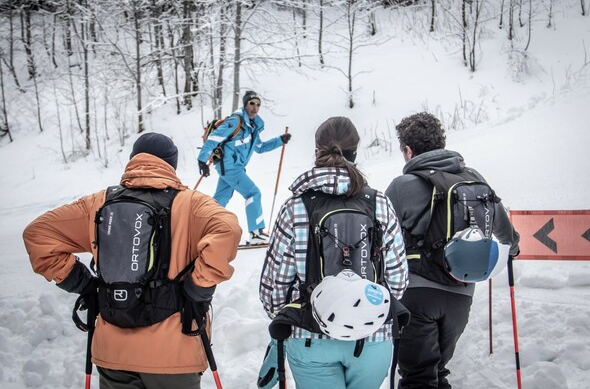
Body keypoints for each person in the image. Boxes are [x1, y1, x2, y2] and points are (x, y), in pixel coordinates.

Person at [22, 132, 242, 389]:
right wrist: (199, 287)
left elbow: (38, 234)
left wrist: (82, 284)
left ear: (132, 160)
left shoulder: (98, 203)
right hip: (174, 355)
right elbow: (228, 229)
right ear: (171, 165)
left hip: (113, 354)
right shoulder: (191, 204)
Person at [259, 116, 408, 389]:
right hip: (372, 339)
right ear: (355, 151)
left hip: (309, 337)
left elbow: (274, 290)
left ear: (317, 150)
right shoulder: (379, 203)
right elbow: (397, 281)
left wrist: (290, 317)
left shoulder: (295, 206)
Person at [384, 112, 520, 389]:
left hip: (416, 295)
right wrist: (514, 249)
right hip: (461, 296)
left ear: (408, 150)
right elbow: (506, 234)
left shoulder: (401, 187)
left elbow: (380, 238)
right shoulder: (474, 179)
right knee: (437, 372)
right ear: (441, 143)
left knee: (417, 377)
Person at [197, 90, 291, 245]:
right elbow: (214, 138)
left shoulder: (252, 126)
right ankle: (256, 233)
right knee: (253, 193)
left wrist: (280, 140)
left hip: (234, 168)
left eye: (258, 105)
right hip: (230, 167)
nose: (255, 108)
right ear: (245, 104)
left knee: (221, 198)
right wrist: (202, 160)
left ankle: (203, 229)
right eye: (251, 104)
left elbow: (259, 147)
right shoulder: (236, 121)